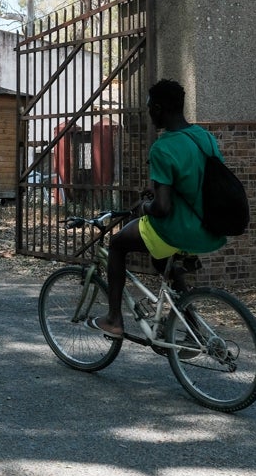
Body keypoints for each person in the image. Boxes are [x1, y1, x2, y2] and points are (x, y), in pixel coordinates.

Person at [88, 78, 227, 339]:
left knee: (117, 244)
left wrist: (145, 206)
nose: (149, 113)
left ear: (160, 108)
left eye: (150, 107)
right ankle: (191, 326)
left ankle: (114, 319)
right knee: (161, 258)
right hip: (207, 228)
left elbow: (162, 208)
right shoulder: (205, 138)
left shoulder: (162, 147)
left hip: (178, 229)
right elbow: (198, 182)